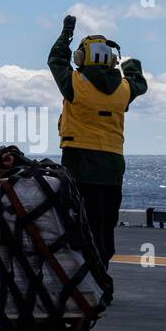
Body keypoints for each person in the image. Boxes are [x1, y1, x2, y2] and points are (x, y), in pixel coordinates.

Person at [49, 14, 148, 272]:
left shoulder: (75, 83)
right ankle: (101, 273)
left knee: (80, 222)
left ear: (81, 58)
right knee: (105, 225)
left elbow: (56, 59)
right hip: (113, 167)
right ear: (112, 59)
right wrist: (129, 63)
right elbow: (139, 81)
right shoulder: (123, 90)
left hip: (79, 162)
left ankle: (87, 278)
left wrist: (66, 33)